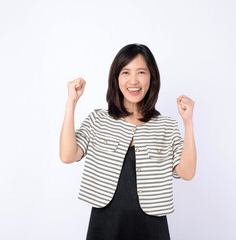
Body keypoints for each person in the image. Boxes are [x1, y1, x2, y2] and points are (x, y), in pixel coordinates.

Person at [59, 43, 197, 240]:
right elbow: (67, 155)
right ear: (116, 78)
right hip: (104, 225)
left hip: (152, 228)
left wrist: (188, 123)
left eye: (141, 72)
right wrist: (71, 102)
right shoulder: (99, 119)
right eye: (125, 72)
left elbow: (187, 172)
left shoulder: (166, 126)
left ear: (152, 77)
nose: (133, 80)